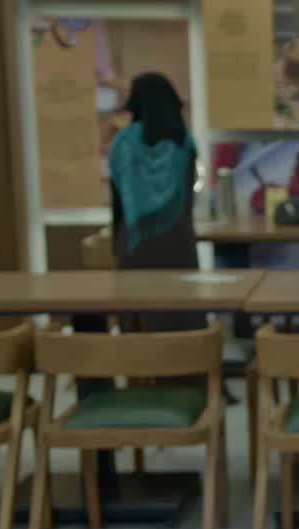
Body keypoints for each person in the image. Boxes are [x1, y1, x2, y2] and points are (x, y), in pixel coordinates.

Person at [107, 72, 203, 334]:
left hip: (136, 241)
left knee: (139, 321)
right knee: (182, 317)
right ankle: (189, 372)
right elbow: (189, 197)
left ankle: (140, 371)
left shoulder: (123, 143)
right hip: (178, 243)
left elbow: (118, 200)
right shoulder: (184, 142)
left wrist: (117, 242)